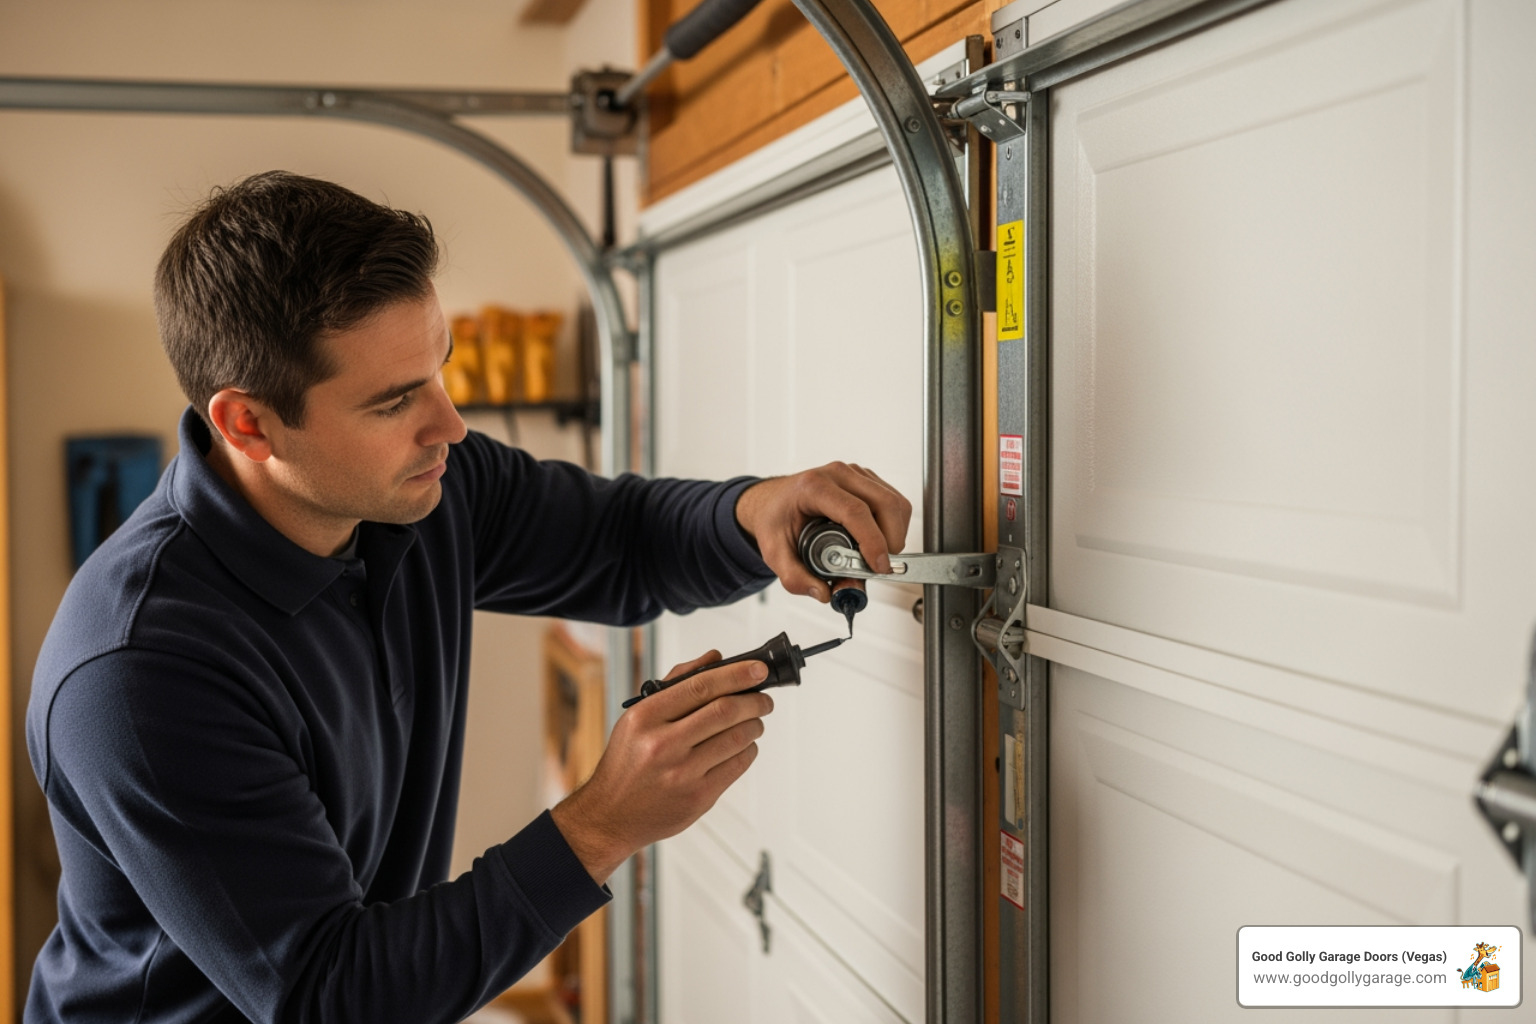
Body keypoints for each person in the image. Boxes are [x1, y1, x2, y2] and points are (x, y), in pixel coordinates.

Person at [24, 171, 911, 1024]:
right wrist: (600, 824)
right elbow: (328, 997)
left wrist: (753, 511)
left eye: (439, 369)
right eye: (395, 399)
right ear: (248, 424)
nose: (449, 423)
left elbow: (619, 541)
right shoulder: (141, 673)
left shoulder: (419, 491)